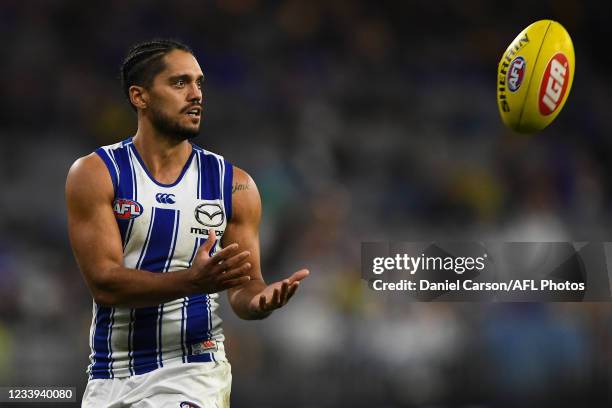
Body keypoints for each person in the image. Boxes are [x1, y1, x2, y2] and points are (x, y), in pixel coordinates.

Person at [65, 39, 309, 407]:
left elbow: (244, 287)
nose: (195, 94)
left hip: (192, 372)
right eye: (179, 83)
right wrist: (192, 281)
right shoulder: (97, 173)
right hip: (108, 375)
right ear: (139, 96)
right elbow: (105, 284)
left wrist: (260, 302)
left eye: (199, 83)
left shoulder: (234, 185)